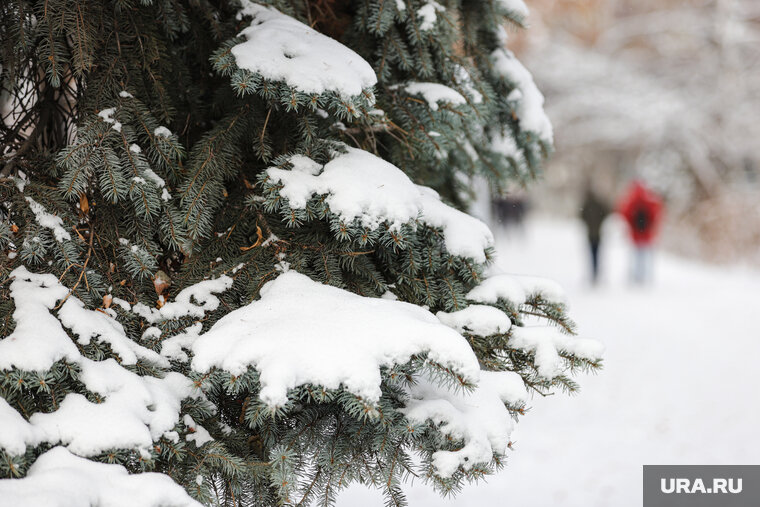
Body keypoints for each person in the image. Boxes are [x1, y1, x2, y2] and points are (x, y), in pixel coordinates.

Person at [617, 180, 664, 283]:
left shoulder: (631, 200)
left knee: (635, 255)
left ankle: (635, 276)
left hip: (635, 235)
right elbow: (656, 214)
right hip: (647, 235)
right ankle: (645, 276)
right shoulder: (649, 200)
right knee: (645, 256)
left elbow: (624, 214)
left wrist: (630, 226)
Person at [580, 187, 609, 284]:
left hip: (591, 234)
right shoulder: (597, 205)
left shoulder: (587, 205)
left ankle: (594, 273)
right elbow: (605, 212)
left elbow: (581, 215)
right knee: (597, 255)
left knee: (592, 254)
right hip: (597, 234)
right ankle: (596, 272)